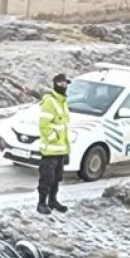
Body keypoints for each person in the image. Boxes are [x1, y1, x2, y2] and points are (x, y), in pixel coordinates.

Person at [37, 72, 72, 215]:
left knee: (57, 178)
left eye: (65, 84)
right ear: (55, 85)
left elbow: (63, 126)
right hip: (50, 150)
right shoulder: (50, 101)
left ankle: (53, 201)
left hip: (61, 149)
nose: (64, 87)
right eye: (61, 84)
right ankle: (41, 203)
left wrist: (66, 149)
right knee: (47, 178)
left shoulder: (63, 101)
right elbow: (44, 125)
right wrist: (54, 138)